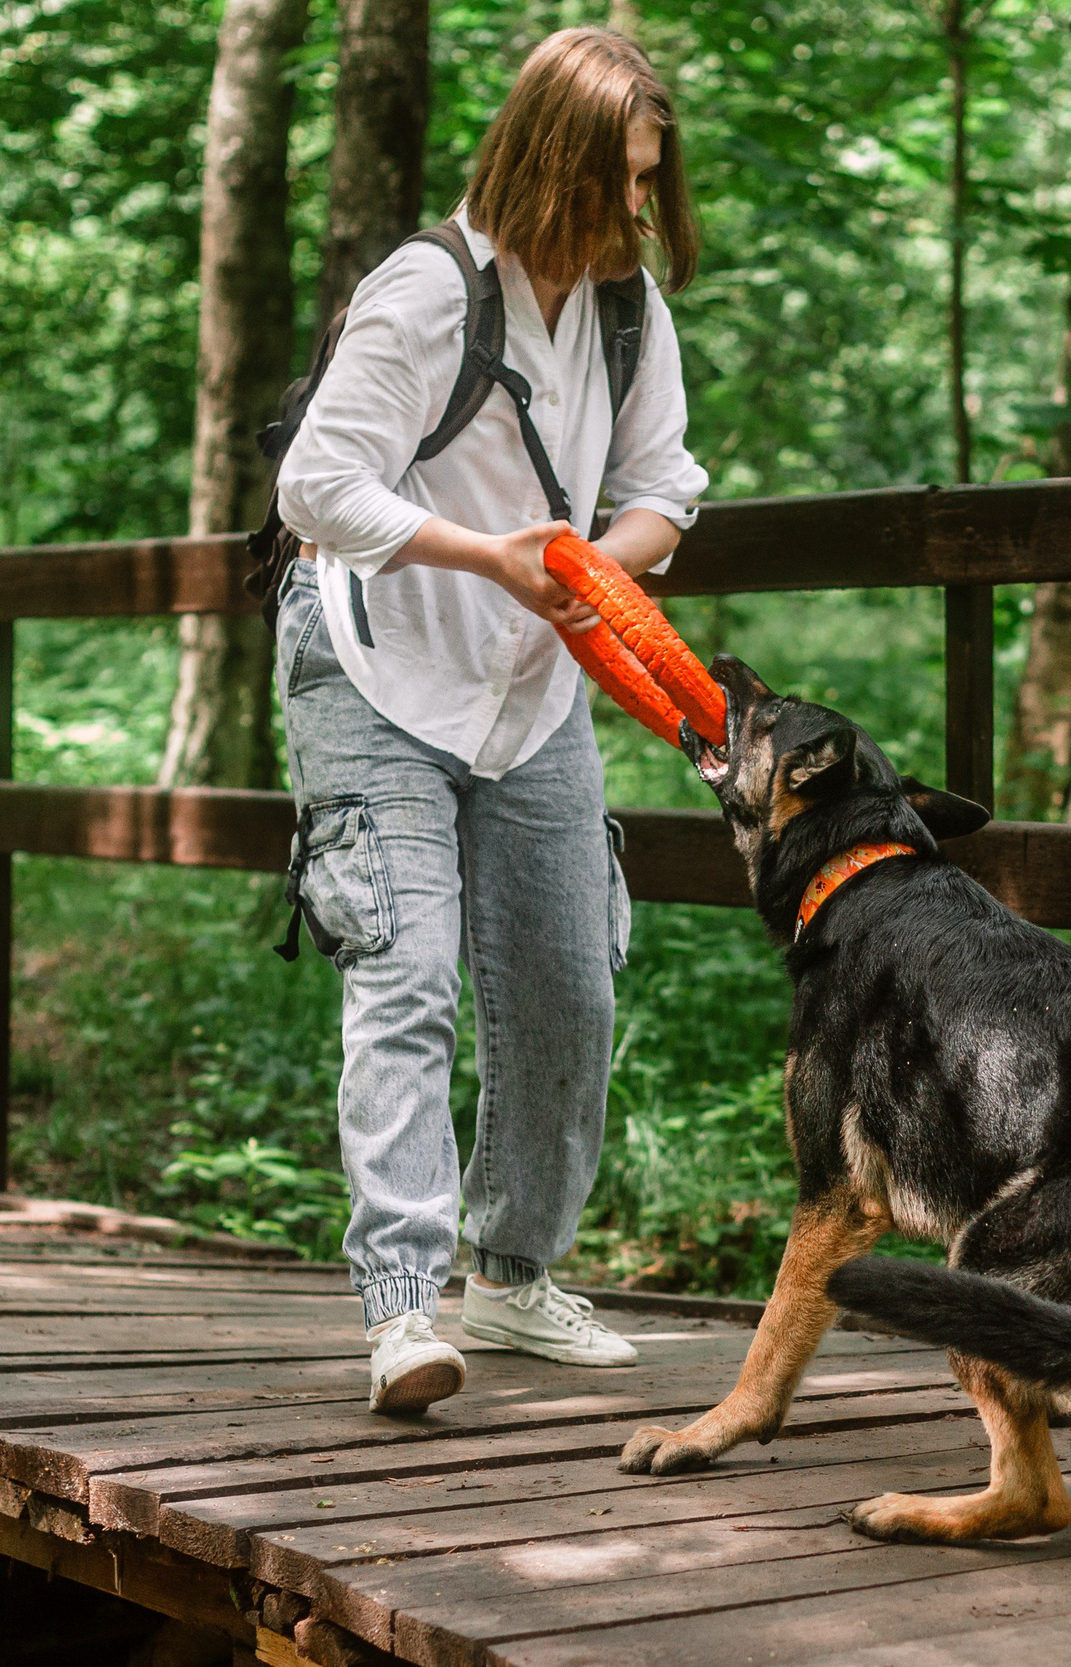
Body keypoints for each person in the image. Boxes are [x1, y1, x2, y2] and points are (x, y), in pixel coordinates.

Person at [271, 28, 708, 1415]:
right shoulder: (428, 292)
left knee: (569, 982)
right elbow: (317, 488)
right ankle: (403, 1311)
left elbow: (664, 486)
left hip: (534, 689)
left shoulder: (629, 309)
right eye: (615, 181)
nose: (634, 211)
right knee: (405, 972)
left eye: (650, 183)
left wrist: (594, 567)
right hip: (378, 666)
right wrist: (497, 555)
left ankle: (514, 1278)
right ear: (547, 162)